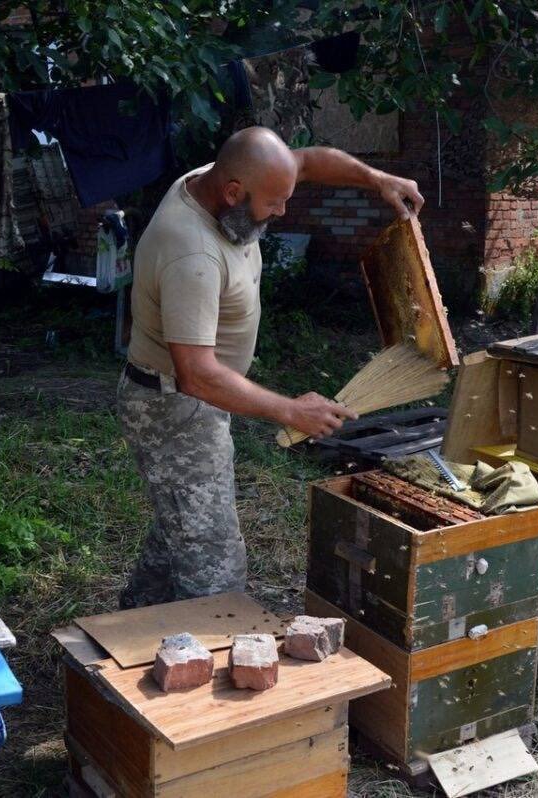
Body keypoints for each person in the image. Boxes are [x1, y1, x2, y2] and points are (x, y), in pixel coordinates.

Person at [117, 126, 424, 608]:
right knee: (215, 565)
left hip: (192, 398)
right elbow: (196, 374)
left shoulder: (220, 178)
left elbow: (309, 161)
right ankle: (197, 663)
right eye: (273, 203)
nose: (283, 211)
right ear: (234, 192)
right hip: (172, 407)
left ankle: (132, 621)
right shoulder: (192, 253)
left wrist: (376, 176)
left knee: (183, 517)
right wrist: (290, 410)